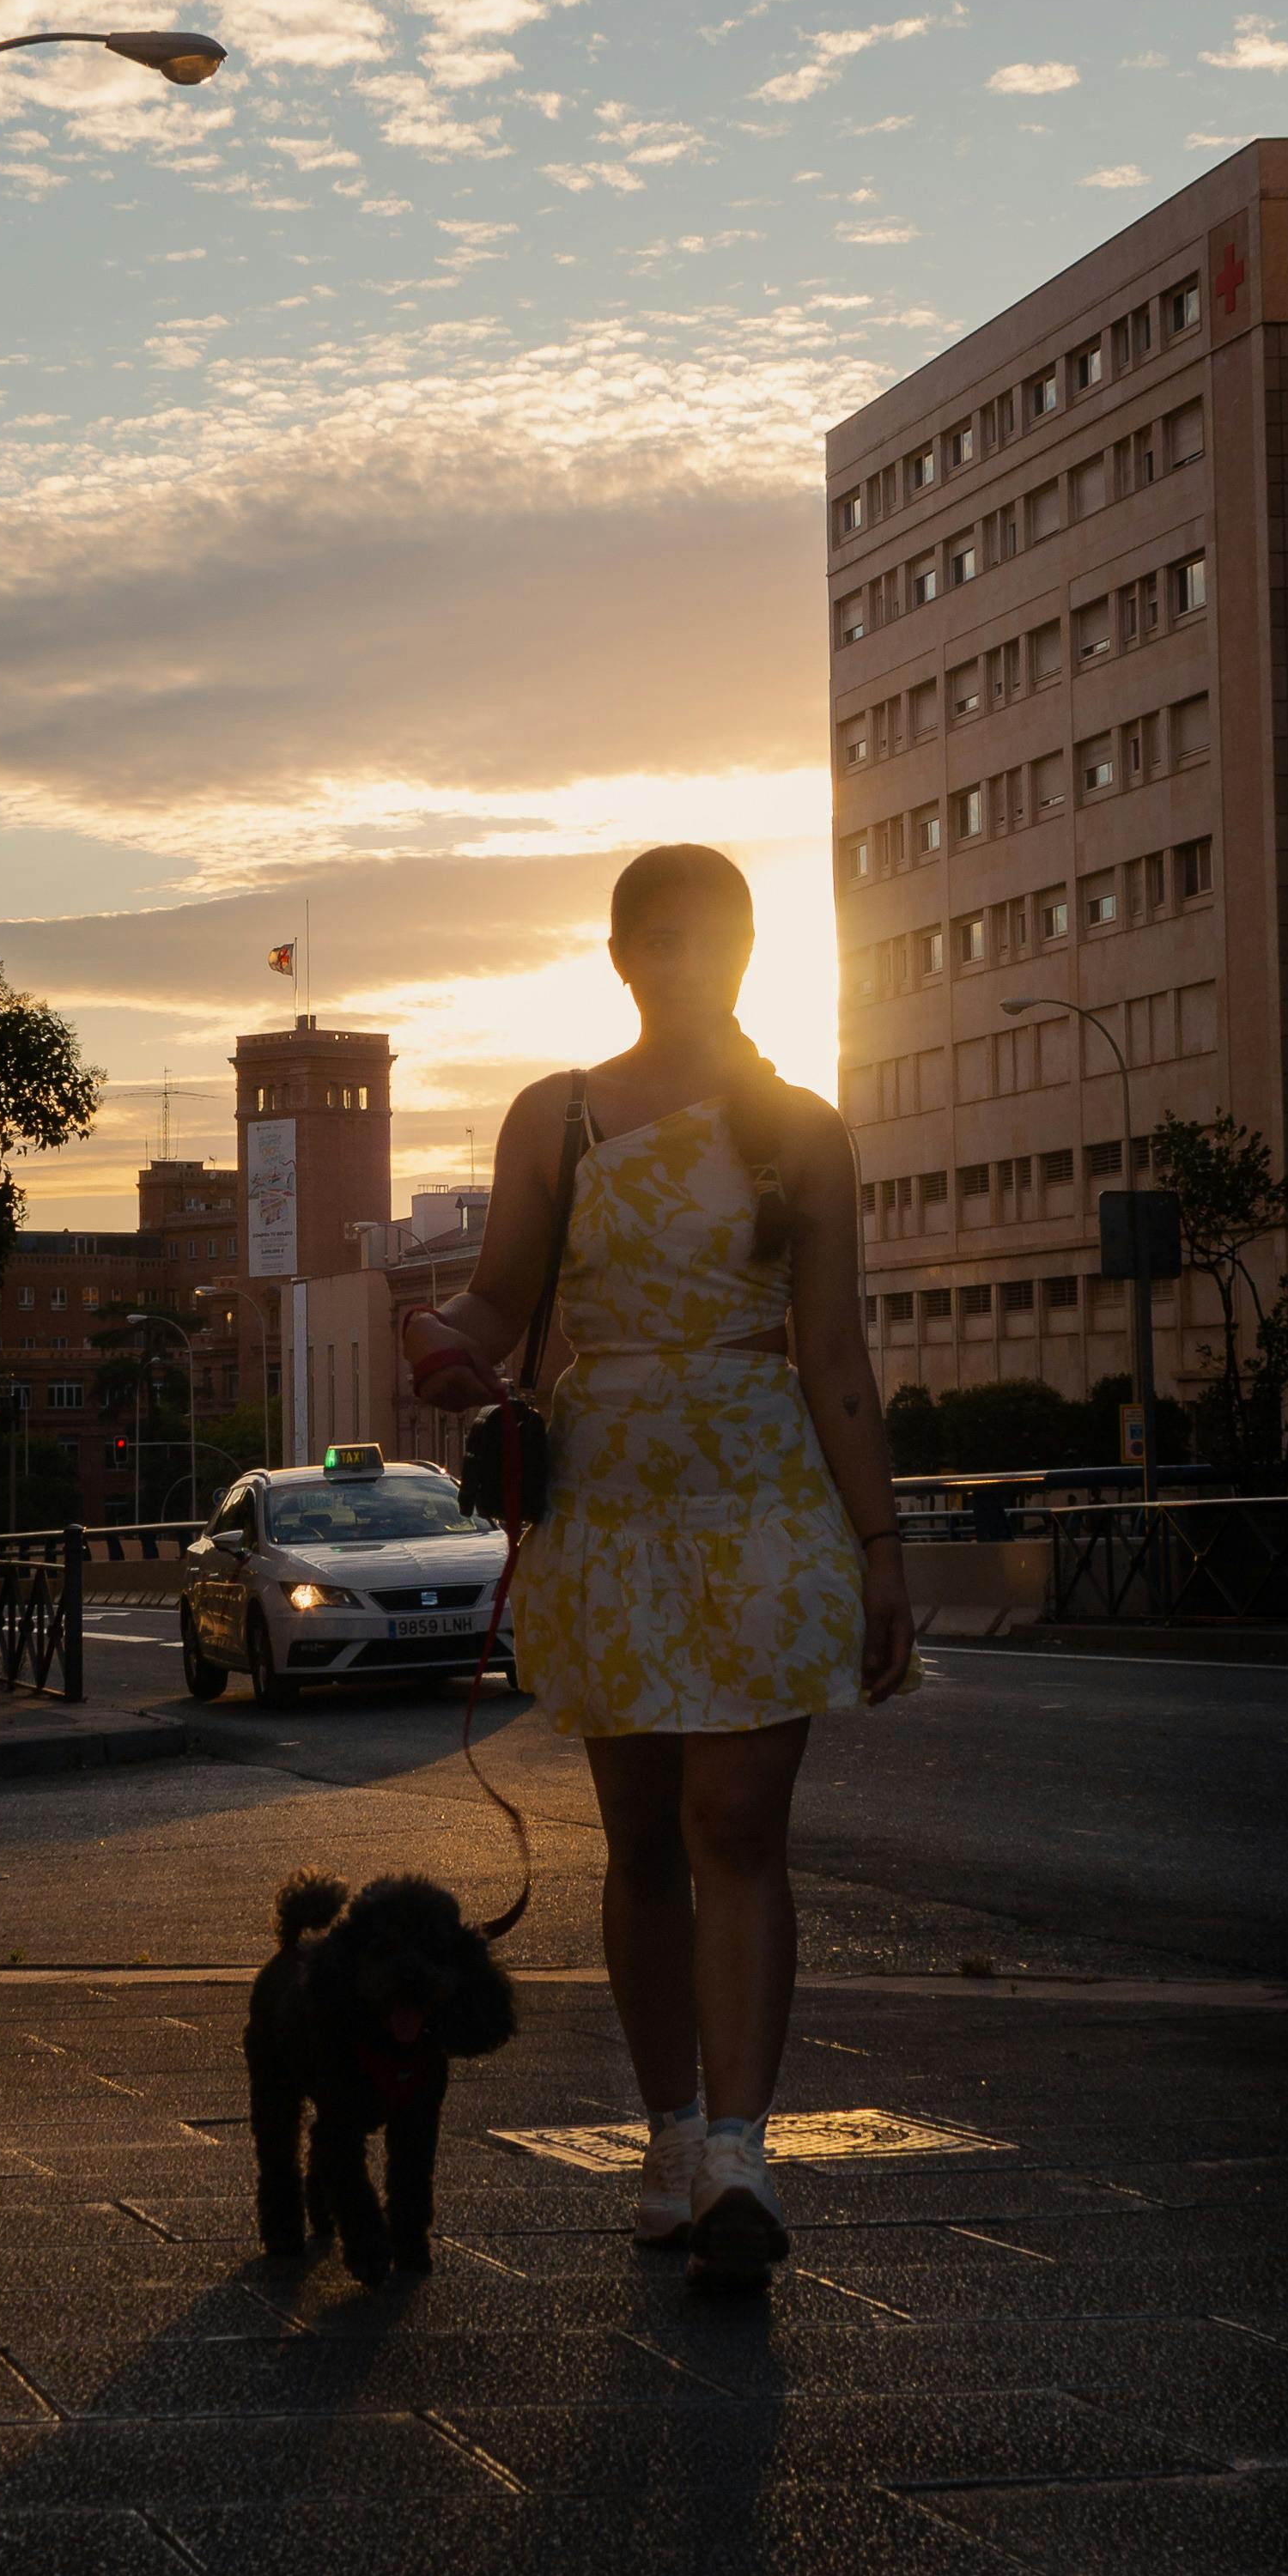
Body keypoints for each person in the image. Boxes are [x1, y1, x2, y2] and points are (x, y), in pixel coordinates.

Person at [400, 842, 915, 2278]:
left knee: (739, 1828)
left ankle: (742, 2158)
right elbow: (501, 1299)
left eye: (720, 940)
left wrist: (880, 1543)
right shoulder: (553, 1117)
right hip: (612, 1506)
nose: (692, 962)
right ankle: (672, 2129)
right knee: (640, 1843)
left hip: (764, 1501)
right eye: (665, 940)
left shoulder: (800, 1129)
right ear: (622, 955)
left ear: (751, 954)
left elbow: (837, 1357)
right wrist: (444, 1342)